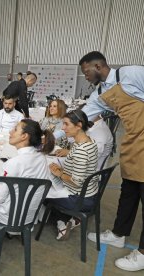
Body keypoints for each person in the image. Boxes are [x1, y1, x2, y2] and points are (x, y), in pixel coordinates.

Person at [79, 51, 144, 272]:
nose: (85, 76)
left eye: (86, 71)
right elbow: (82, 117)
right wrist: (54, 134)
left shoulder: (131, 73)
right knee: (129, 192)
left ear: (97, 66)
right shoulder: (100, 94)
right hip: (134, 141)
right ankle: (118, 234)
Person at [0, 119, 55, 241]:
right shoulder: (41, 158)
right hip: (29, 216)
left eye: (15, 129)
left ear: (24, 136)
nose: (10, 132)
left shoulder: (14, 163)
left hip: (9, 217)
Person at [47, 110, 98, 241]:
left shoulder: (81, 151)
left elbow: (76, 181)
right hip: (89, 193)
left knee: (41, 192)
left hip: (79, 199)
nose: (63, 128)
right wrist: (61, 170)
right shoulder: (88, 141)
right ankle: (71, 219)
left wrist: (59, 174)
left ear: (79, 125)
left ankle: (62, 223)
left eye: (66, 124)